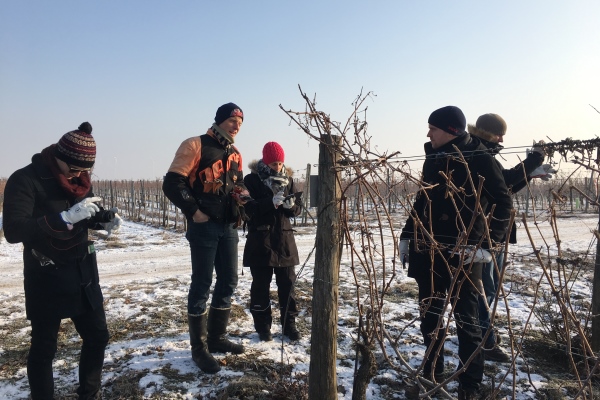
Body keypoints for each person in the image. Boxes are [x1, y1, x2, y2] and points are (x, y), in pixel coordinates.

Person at [399, 106, 512, 400]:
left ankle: (469, 386)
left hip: (466, 254)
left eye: (432, 129)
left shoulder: (480, 158)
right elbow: (422, 200)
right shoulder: (432, 157)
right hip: (430, 252)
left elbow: (504, 202)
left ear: (450, 132)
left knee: (468, 322)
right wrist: (407, 235)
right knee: (430, 317)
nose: (427, 134)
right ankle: (431, 374)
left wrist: (487, 246)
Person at [3, 122, 122, 399]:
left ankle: (89, 393)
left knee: (98, 336)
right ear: (58, 155)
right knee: (44, 348)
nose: (79, 175)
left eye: (85, 170)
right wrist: (64, 219)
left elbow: (86, 211)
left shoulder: (80, 180)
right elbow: (14, 230)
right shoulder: (26, 179)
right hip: (46, 271)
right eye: (74, 168)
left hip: (82, 269)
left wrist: (103, 219)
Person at [162, 102, 249, 374]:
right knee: (201, 283)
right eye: (233, 120)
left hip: (229, 226)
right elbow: (172, 183)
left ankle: (217, 338)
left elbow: (238, 183)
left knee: (229, 281)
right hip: (205, 226)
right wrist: (194, 211)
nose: (237, 126)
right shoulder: (195, 145)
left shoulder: (235, 153)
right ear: (221, 120)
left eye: (241, 122)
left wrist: (243, 196)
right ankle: (199, 349)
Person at [467, 113, 550, 362]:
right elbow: (503, 183)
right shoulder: (477, 151)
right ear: (486, 132)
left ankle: (480, 331)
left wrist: (530, 173)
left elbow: (505, 187)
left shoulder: (484, 151)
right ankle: (484, 339)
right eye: (499, 133)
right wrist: (534, 160)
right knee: (484, 289)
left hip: (495, 233)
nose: (502, 138)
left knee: (488, 289)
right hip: (485, 233)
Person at [242, 142, 302, 342]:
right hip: (261, 241)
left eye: (280, 163)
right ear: (265, 162)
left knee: (288, 285)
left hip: (284, 241)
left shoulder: (289, 181)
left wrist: (291, 206)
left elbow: (297, 210)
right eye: (273, 163)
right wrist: (270, 202)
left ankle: (289, 325)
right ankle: (263, 327)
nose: (277, 167)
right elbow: (247, 209)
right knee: (261, 285)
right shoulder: (251, 180)